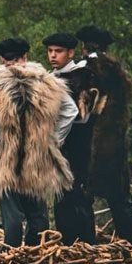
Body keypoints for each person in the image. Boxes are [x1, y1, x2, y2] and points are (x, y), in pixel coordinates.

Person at [0, 37, 77, 247]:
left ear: (2, 60)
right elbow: (71, 110)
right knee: (37, 213)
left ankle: (12, 258)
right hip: (37, 155)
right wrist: (52, 138)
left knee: (12, 214)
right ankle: (37, 256)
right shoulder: (47, 82)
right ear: (26, 56)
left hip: (6, 156)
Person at [77, 25, 132, 244]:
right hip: (116, 142)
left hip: (95, 143)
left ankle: (87, 244)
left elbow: (86, 109)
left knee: (85, 195)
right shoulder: (117, 71)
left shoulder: (89, 69)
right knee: (119, 196)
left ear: (84, 46)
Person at [44, 32, 98, 244]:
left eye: (58, 51)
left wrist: (56, 138)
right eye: (50, 51)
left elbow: (82, 116)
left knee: (79, 195)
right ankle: (66, 244)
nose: (53, 56)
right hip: (59, 148)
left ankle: (86, 245)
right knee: (60, 196)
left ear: (70, 53)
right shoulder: (52, 77)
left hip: (77, 146)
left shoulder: (81, 76)